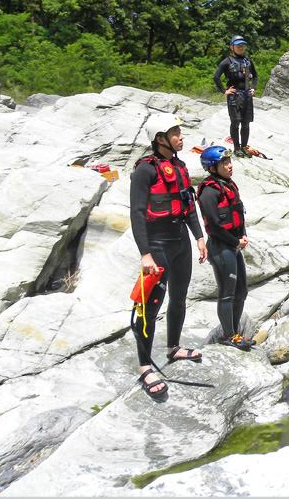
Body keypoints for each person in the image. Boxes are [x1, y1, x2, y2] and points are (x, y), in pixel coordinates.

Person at [130, 113, 208, 401]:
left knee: (179, 297)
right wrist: (145, 254)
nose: (180, 136)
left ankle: (173, 347)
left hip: (180, 242)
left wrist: (199, 236)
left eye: (180, 132)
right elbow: (137, 213)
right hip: (158, 245)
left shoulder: (180, 165)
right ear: (160, 138)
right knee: (149, 307)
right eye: (175, 132)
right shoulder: (144, 170)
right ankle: (144, 366)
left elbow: (188, 205)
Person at [196, 146, 254, 351]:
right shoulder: (209, 191)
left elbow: (238, 210)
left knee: (242, 292)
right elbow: (213, 225)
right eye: (225, 163)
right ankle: (228, 336)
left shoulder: (228, 185)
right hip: (221, 247)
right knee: (227, 294)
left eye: (230, 162)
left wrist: (242, 234)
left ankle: (235, 333)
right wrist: (235, 242)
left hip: (233, 244)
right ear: (213, 167)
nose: (230, 166)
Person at [213, 35, 258, 158]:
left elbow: (255, 76)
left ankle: (244, 147)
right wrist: (224, 90)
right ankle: (236, 147)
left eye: (242, 45)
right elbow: (216, 76)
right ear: (232, 47)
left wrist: (253, 88)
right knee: (235, 121)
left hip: (247, 95)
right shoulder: (227, 62)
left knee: (246, 122)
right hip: (234, 96)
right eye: (238, 45)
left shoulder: (247, 61)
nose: (241, 47)